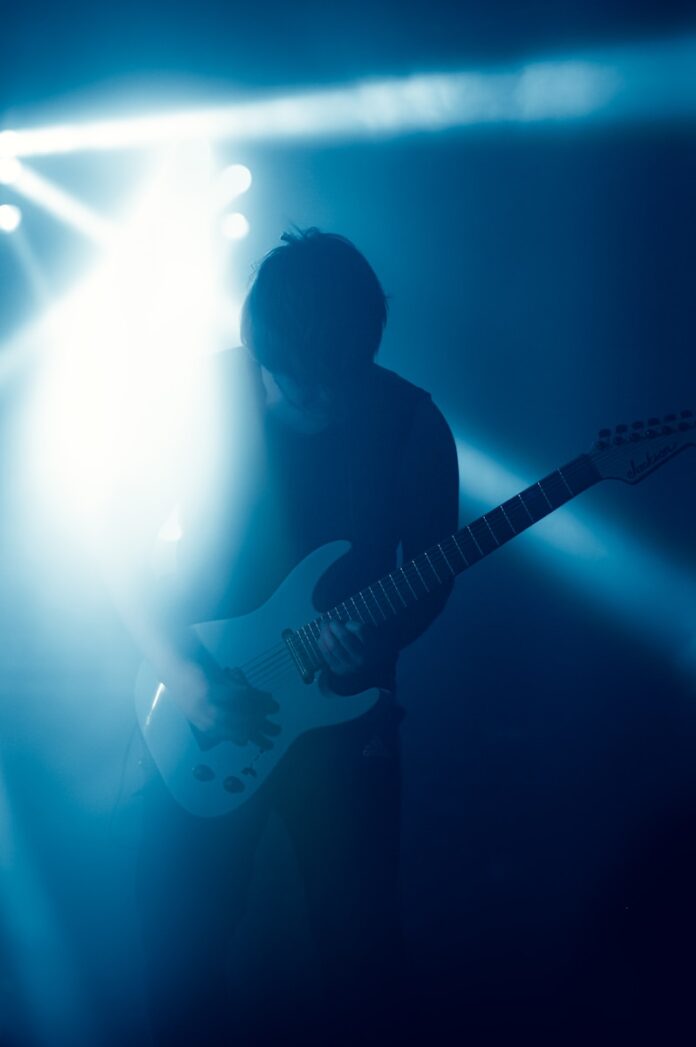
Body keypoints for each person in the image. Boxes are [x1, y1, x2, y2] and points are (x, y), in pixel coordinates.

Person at [128, 229, 460, 1045]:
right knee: (182, 952)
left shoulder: (413, 424)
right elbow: (118, 547)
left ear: (365, 352)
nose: (306, 401)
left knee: (362, 956)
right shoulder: (204, 396)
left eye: (329, 386)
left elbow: (431, 575)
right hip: (201, 705)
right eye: (287, 383)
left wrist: (378, 645)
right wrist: (187, 673)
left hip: (345, 725)